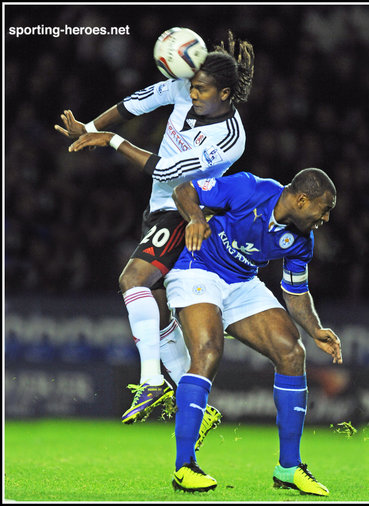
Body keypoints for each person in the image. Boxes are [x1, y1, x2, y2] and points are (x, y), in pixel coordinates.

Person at [55, 30, 255, 448]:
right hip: (159, 206)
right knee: (158, 308)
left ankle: (150, 382)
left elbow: (168, 172)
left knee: (132, 281)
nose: (193, 93)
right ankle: (193, 402)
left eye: (202, 89)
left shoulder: (230, 139)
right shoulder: (183, 89)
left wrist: (110, 140)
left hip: (189, 211)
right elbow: (136, 103)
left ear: (225, 93)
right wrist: (88, 127)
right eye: (192, 86)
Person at [164, 168, 342, 495]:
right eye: (324, 209)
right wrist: (195, 218)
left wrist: (315, 329)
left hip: (241, 281)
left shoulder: (302, 240)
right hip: (198, 267)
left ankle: (288, 467)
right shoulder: (249, 189)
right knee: (207, 351)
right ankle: (184, 466)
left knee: (292, 352)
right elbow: (184, 190)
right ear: (302, 200)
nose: (325, 218)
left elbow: (295, 291)